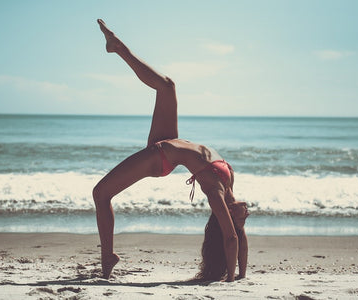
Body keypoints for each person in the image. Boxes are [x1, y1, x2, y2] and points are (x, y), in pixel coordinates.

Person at [93, 19, 249, 282]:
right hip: (169, 142)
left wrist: (232, 279)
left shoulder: (216, 193)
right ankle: (117, 47)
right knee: (167, 85)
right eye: (246, 214)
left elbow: (232, 238)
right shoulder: (229, 178)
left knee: (100, 193)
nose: (247, 210)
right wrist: (243, 273)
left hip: (161, 158)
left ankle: (107, 255)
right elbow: (239, 236)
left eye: (242, 217)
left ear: (229, 215)